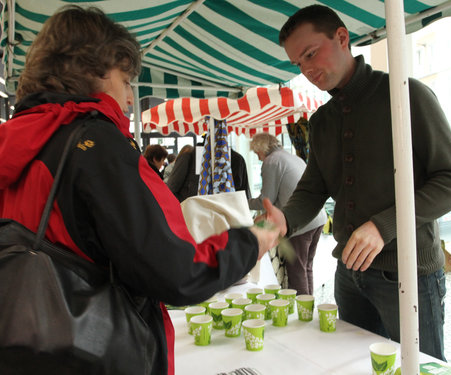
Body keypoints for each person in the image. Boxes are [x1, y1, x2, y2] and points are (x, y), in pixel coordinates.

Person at [0, 6, 279, 374]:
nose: (130, 96)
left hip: (23, 346)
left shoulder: (17, 143)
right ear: (96, 69)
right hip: (94, 355)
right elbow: (177, 271)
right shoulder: (97, 145)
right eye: (126, 79)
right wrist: (253, 242)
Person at [261, 4, 451, 360]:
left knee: (420, 368)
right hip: (350, 273)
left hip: (408, 275)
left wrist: (382, 226)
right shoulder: (322, 120)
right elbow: (313, 188)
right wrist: (286, 219)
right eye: (298, 63)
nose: (307, 69)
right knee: (358, 366)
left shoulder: (407, 96)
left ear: (342, 38)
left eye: (311, 53)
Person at [248, 133, 327, 295]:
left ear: (262, 148)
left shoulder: (271, 161)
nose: (258, 158)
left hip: (298, 223)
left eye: (257, 153)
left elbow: (266, 199)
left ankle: (302, 314)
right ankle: (308, 310)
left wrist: (244, 203)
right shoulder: (291, 157)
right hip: (317, 217)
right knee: (306, 267)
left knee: (297, 271)